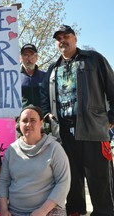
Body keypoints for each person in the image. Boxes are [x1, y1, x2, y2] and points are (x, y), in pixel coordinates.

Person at [41, 24, 114, 215]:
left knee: (100, 182)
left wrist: (111, 118)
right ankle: (75, 212)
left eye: (66, 36)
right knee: (71, 182)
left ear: (75, 38)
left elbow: (112, 88)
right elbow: (44, 96)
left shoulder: (94, 59)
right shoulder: (53, 68)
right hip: (64, 135)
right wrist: (48, 114)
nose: (62, 41)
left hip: (93, 131)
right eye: (58, 39)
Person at [0, 105, 71, 216]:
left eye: (33, 120)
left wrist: (43, 211)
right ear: (19, 124)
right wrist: (3, 209)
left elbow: (63, 182)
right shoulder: (11, 150)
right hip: (15, 212)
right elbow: (3, 181)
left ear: (41, 123)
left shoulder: (54, 148)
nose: (28, 124)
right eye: (24, 121)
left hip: (49, 211)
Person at [20, 43, 46, 108]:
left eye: (32, 55)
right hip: (22, 117)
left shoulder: (45, 76)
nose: (29, 58)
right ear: (20, 58)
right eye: (25, 55)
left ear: (36, 57)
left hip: (42, 116)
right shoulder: (14, 77)